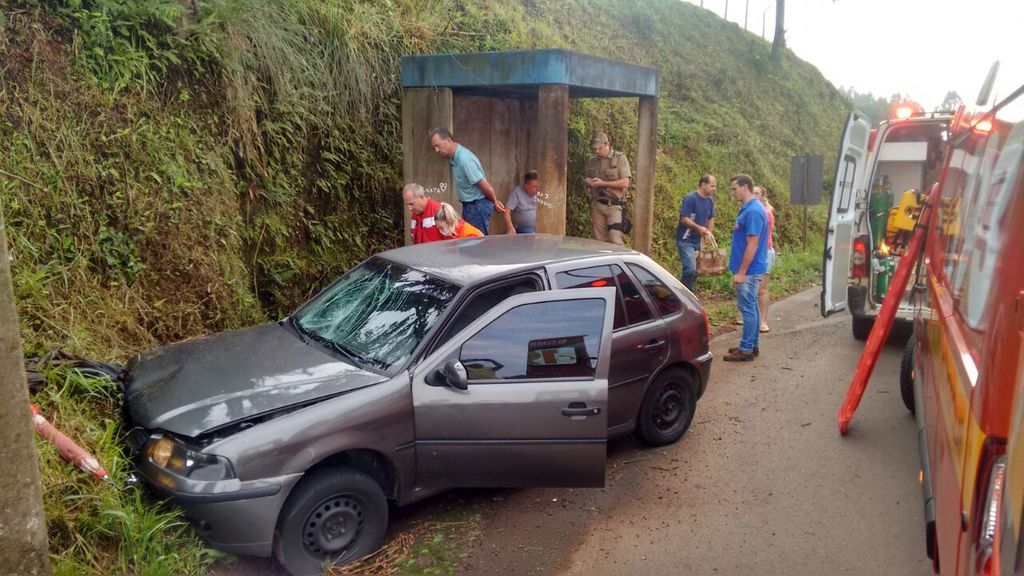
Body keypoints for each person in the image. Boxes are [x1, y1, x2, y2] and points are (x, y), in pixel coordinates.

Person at [724, 174, 769, 362]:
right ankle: (750, 344)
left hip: (749, 271)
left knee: (748, 308)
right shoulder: (749, 208)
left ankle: (747, 349)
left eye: (734, 188)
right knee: (752, 307)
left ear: (745, 187)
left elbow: (752, 244)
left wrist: (741, 272)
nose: (732, 192)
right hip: (749, 269)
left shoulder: (753, 211)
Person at [429, 127, 506, 235]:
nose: (436, 150)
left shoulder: (464, 159)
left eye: (437, 145)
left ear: (448, 140)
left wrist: (495, 202)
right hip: (470, 207)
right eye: (434, 147)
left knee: (476, 244)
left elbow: (483, 184)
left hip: (477, 207)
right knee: (469, 242)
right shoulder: (454, 158)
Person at [584, 132, 632, 245]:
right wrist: (588, 182)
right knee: (599, 242)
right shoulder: (593, 161)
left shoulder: (620, 159)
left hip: (614, 206)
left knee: (615, 240)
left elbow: (625, 183)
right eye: (594, 149)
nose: (596, 151)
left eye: (599, 148)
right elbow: (586, 178)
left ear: (607, 144)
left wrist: (603, 183)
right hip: (598, 205)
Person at [675, 174, 717, 291]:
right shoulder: (690, 198)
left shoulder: (710, 201)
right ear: (703, 185)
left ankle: (689, 294)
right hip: (685, 239)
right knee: (690, 269)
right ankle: (679, 293)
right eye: (712, 186)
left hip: (699, 240)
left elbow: (710, 218)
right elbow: (684, 218)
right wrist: (699, 228)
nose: (714, 189)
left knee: (696, 271)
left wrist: (709, 232)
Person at [753, 185, 776, 333]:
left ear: (762, 197)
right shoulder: (753, 211)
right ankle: (751, 318)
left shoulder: (765, 213)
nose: (754, 195)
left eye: (757, 193)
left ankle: (763, 322)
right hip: (754, 252)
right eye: (752, 192)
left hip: (764, 252)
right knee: (750, 287)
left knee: (761, 289)